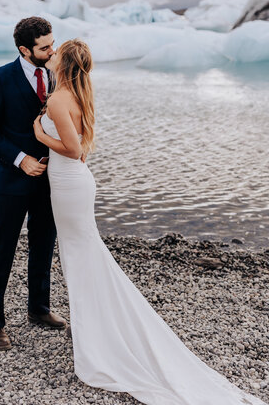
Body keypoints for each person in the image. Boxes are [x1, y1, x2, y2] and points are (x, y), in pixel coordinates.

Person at [33, 38, 267, 405]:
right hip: (70, 184)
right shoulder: (72, 94)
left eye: (57, 51)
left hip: (70, 185)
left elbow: (74, 149)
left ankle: (100, 337)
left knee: (81, 255)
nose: (52, 54)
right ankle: (94, 328)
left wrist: (39, 134)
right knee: (81, 254)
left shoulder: (61, 99)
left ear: (65, 63)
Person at [0, 16, 67, 352]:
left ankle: (39, 309)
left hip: (51, 180)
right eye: (44, 47)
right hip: (12, 180)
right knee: (3, 249)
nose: (52, 50)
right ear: (24, 49)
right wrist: (20, 159)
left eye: (52, 43)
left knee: (44, 245)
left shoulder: (56, 75)